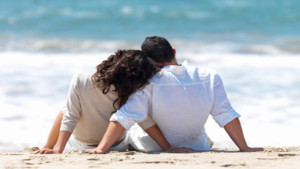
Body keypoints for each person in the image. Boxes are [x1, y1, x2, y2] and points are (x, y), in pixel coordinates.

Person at [89, 36, 264, 153]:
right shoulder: (210, 76)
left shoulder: (149, 82)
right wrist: (244, 148)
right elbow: (226, 114)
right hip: (198, 146)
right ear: (174, 51)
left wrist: (101, 149)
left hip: (152, 147)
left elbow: (124, 117)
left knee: (134, 123)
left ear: (147, 60)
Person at [35, 49, 175, 154]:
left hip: (82, 145)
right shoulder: (132, 89)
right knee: (136, 114)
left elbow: (71, 117)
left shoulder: (80, 80)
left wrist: (59, 150)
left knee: (67, 108)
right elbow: (145, 120)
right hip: (117, 146)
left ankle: (48, 146)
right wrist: (168, 148)